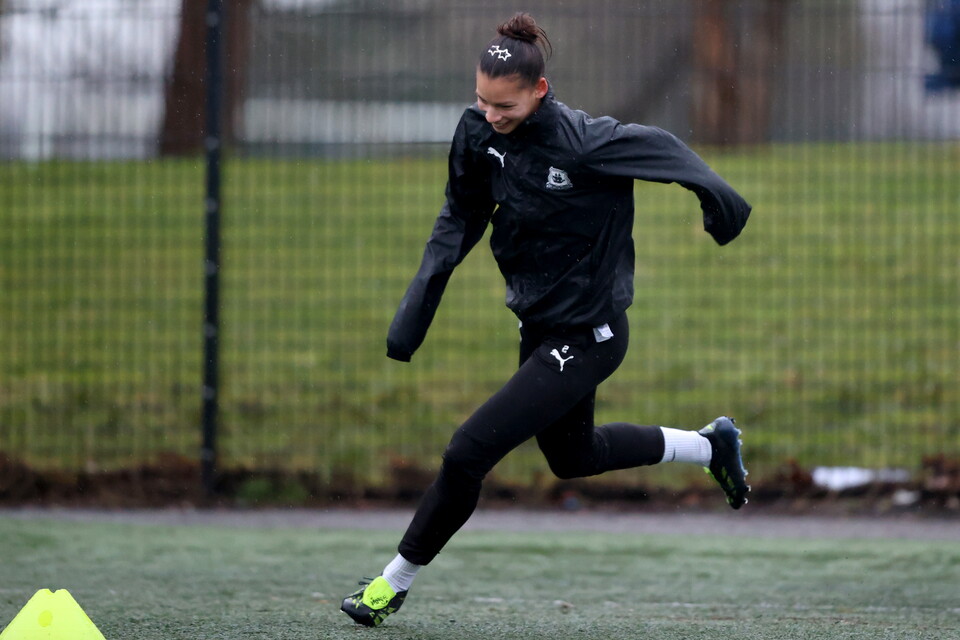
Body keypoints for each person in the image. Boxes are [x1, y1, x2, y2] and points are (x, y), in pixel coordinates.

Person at [341, 12, 752, 627]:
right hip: (539, 323)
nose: (489, 114)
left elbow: (665, 148)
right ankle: (710, 445)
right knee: (573, 457)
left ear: (538, 90)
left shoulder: (586, 141)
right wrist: (418, 306)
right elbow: (460, 212)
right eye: (480, 99)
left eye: (503, 105)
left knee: (467, 452)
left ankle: (391, 584)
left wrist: (719, 203)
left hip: (591, 334)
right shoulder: (479, 132)